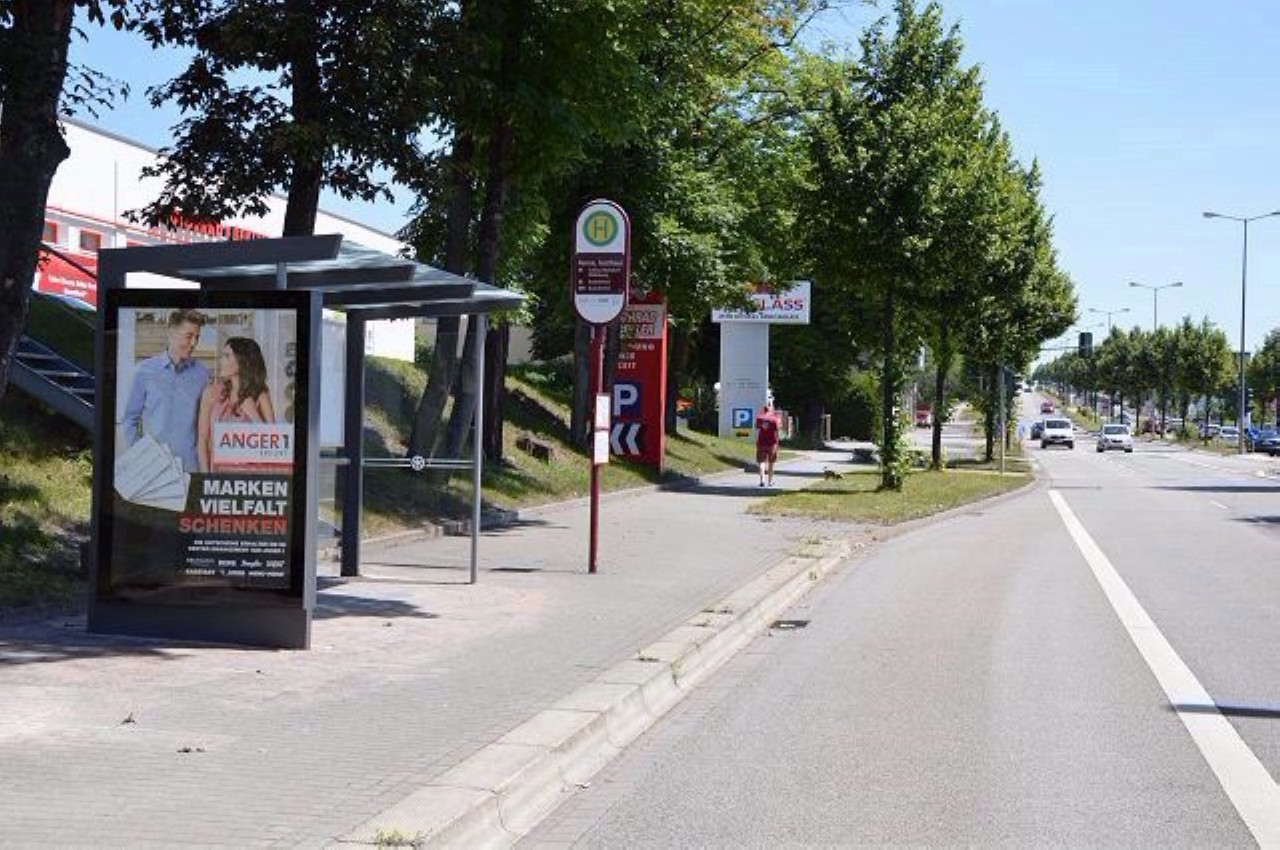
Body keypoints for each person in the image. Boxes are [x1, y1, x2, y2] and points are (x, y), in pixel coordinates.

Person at [121, 309, 209, 473]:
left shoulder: (202, 374)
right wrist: (140, 456)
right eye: (189, 336)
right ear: (171, 332)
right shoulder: (144, 371)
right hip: (153, 469)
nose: (194, 343)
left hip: (190, 468)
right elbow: (129, 419)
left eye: (197, 337)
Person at [197, 336, 277, 472]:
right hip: (218, 476)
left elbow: (273, 445)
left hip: (250, 478)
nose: (221, 361)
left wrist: (254, 415)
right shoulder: (211, 392)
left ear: (242, 361)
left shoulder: (261, 395)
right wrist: (207, 478)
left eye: (227, 356)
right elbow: (202, 440)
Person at [755, 401, 781, 487]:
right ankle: (770, 482)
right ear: (771, 408)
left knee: (761, 462)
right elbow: (777, 432)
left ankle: (762, 480)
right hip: (772, 444)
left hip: (761, 442)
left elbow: (757, 429)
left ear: (764, 409)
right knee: (771, 463)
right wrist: (777, 443)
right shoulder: (775, 418)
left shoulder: (759, 418)